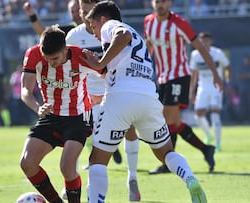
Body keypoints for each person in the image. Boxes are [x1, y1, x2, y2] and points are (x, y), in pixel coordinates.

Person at [81, 1, 207, 202]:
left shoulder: (110, 26)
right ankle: (190, 178)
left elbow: (123, 36)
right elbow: (122, 67)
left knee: (97, 160)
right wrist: (102, 68)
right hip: (148, 98)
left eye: (93, 26)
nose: (95, 33)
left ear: (103, 19)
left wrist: (101, 62)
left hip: (120, 100)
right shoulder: (138, 37)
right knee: (166, 152)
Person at [65, 0, 140, 201]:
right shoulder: (73, 36)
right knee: (80, 139)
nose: (85, 15)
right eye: (82, 10)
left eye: (89, 10)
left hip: (113, 91)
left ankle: (132, 178)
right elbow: (71, 67)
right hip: (87, 98)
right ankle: (76, 183)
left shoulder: (110, 31)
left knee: (129, 129)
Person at [19, 26, 102, 203]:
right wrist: (37, 107)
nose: (51, 63)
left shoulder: (81, 55)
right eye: (47, 59)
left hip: (78, 117)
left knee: (67, 166)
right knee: (27, 163)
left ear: (65, 49)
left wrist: (104, 97)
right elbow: (25, 90)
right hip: (50, 115)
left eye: (55, 59)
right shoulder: (33, 54)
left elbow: (110, 75)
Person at [143, 0, 223, 174]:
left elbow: (200, 47)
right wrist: (143, 66)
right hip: (163, 78)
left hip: (179, 76)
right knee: (173, 122)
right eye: (157, 1)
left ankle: (167, 164)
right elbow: (149, 45)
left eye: (163, 1)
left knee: (166, 118)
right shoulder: (148, 21)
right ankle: (205, 149)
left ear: (170, 3)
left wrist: (215, 74)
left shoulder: (180, 23)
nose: (160, 5)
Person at [189, 32, 232, 152]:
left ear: (211, 41)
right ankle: (209, 135)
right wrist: (191, 91)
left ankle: (218, 145)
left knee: (215, 115)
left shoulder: (217, 53)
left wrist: (227, 82)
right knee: (198, 115)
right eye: (202, 40)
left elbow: (227, 67)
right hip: (202, 87)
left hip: (215, 87)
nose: (204, 42)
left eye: (207, 40)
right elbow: (194, 74)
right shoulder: (195, 54)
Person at [237, 55, 250, 122]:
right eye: (245, 59)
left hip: (249, 89)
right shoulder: (242, 67)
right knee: (242, 105)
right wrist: (247, 75)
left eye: (247, 59)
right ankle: (241, 119)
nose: (246, 61)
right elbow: (239, 76)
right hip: (243, 89)